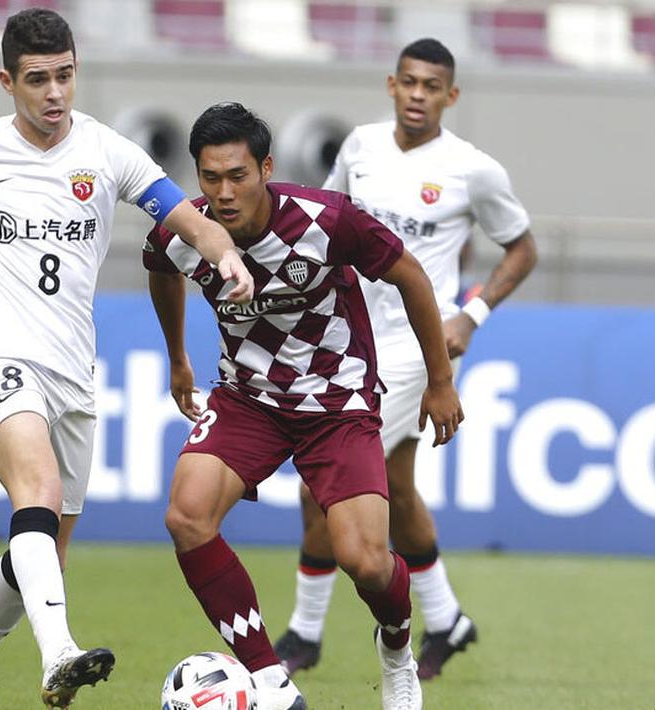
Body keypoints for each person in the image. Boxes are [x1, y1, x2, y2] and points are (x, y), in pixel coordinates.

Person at [0, 9, 252, 709]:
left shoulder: (107, 152)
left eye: (65, 75)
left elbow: (176, 213)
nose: (55, 93)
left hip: (73, 374)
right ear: (7, 81)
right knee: (33, 492)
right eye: (37, 79)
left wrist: (222, 251)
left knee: (43, 551)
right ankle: (59, 653)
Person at [143, 102, 462, 710]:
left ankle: (397, 653)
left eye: (238, 175)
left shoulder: (325, 219)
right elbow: (162, 267)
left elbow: (412, 277)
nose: (225, 191)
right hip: (247, 399)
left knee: (366, 562)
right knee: (187, 516)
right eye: (211, 178)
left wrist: (439, 381)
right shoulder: (186, 229)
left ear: (266, 167)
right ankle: (269, 678)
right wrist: (178, 357)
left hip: (337, 401)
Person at [273, 37, 538, 681]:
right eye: (409, 82)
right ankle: (447, 620)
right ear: (391, 85)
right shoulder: (359, 147)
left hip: (415, 346)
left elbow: (523, 249)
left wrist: (468, 316)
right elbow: (327, 222)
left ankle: (304, 634)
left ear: (451, 96)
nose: (419, 95)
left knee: (323, 481)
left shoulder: (473, 169)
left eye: (432, 86)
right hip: (343, 338)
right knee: (394, 487)